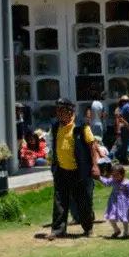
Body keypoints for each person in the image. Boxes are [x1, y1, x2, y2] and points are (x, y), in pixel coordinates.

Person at [47, 98, 100, 240]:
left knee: (83, 201)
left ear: (70, 112)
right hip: (61, 170)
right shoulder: (55, 126)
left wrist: (95, 166)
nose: (58, 114)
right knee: (59, 201)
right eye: (57, 110)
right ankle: (58, 230)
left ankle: (87, 228)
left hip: (80, 171)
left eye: (61, 111)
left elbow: (92, 145)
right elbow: (52, 144)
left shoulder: (81, 126)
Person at [98, 164, 129, 239]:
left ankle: (126, 233)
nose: (115, 177)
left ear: (122, 174)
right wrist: (99, 177)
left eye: (117, 175)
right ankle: (116, 230)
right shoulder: (113, 180)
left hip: (124, 203)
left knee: (125, 218)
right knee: (111, 217)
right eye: (113, 175)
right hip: (113, 202)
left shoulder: (127, 183)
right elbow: (106, 182)